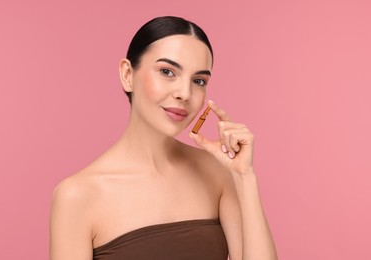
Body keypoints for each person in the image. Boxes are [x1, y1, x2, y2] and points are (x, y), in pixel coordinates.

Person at [49, 16, 277, 260]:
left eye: (198, 81)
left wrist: (245, 176)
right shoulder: (78, 195)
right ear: (127, 74)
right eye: (167, 72)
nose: (184, 93)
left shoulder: (216, 172)